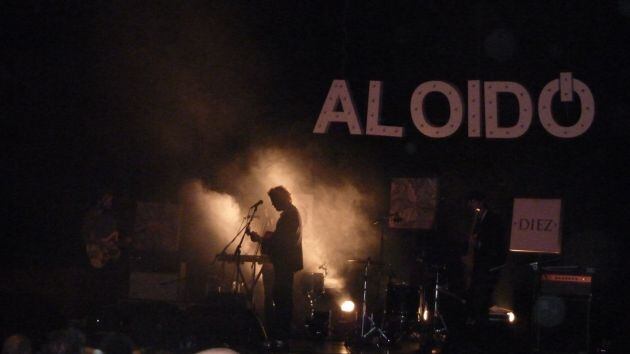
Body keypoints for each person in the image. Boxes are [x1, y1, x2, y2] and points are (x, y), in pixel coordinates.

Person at [248, 186, 303, 349]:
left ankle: (281, 337)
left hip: (285, 264)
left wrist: (259, 239)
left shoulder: (289, 216)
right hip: (285, 263)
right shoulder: (291, 214)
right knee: (281, 299)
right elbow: (281, 239)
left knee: (282, 300)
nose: (272, 205)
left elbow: (281, 243)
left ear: (281, 198)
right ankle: (281, 337)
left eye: (273, 201)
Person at [462, 191, 508, 326]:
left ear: (480, 202)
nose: (470, 205)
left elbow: (495, 242)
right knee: (474, 292)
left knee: (482, 294)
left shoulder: (493, 219)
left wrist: (479, 243)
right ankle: (474, 320)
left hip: (489, 264)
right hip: (479, 263)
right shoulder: (477, 219)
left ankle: (480, 323)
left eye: (473, 202)